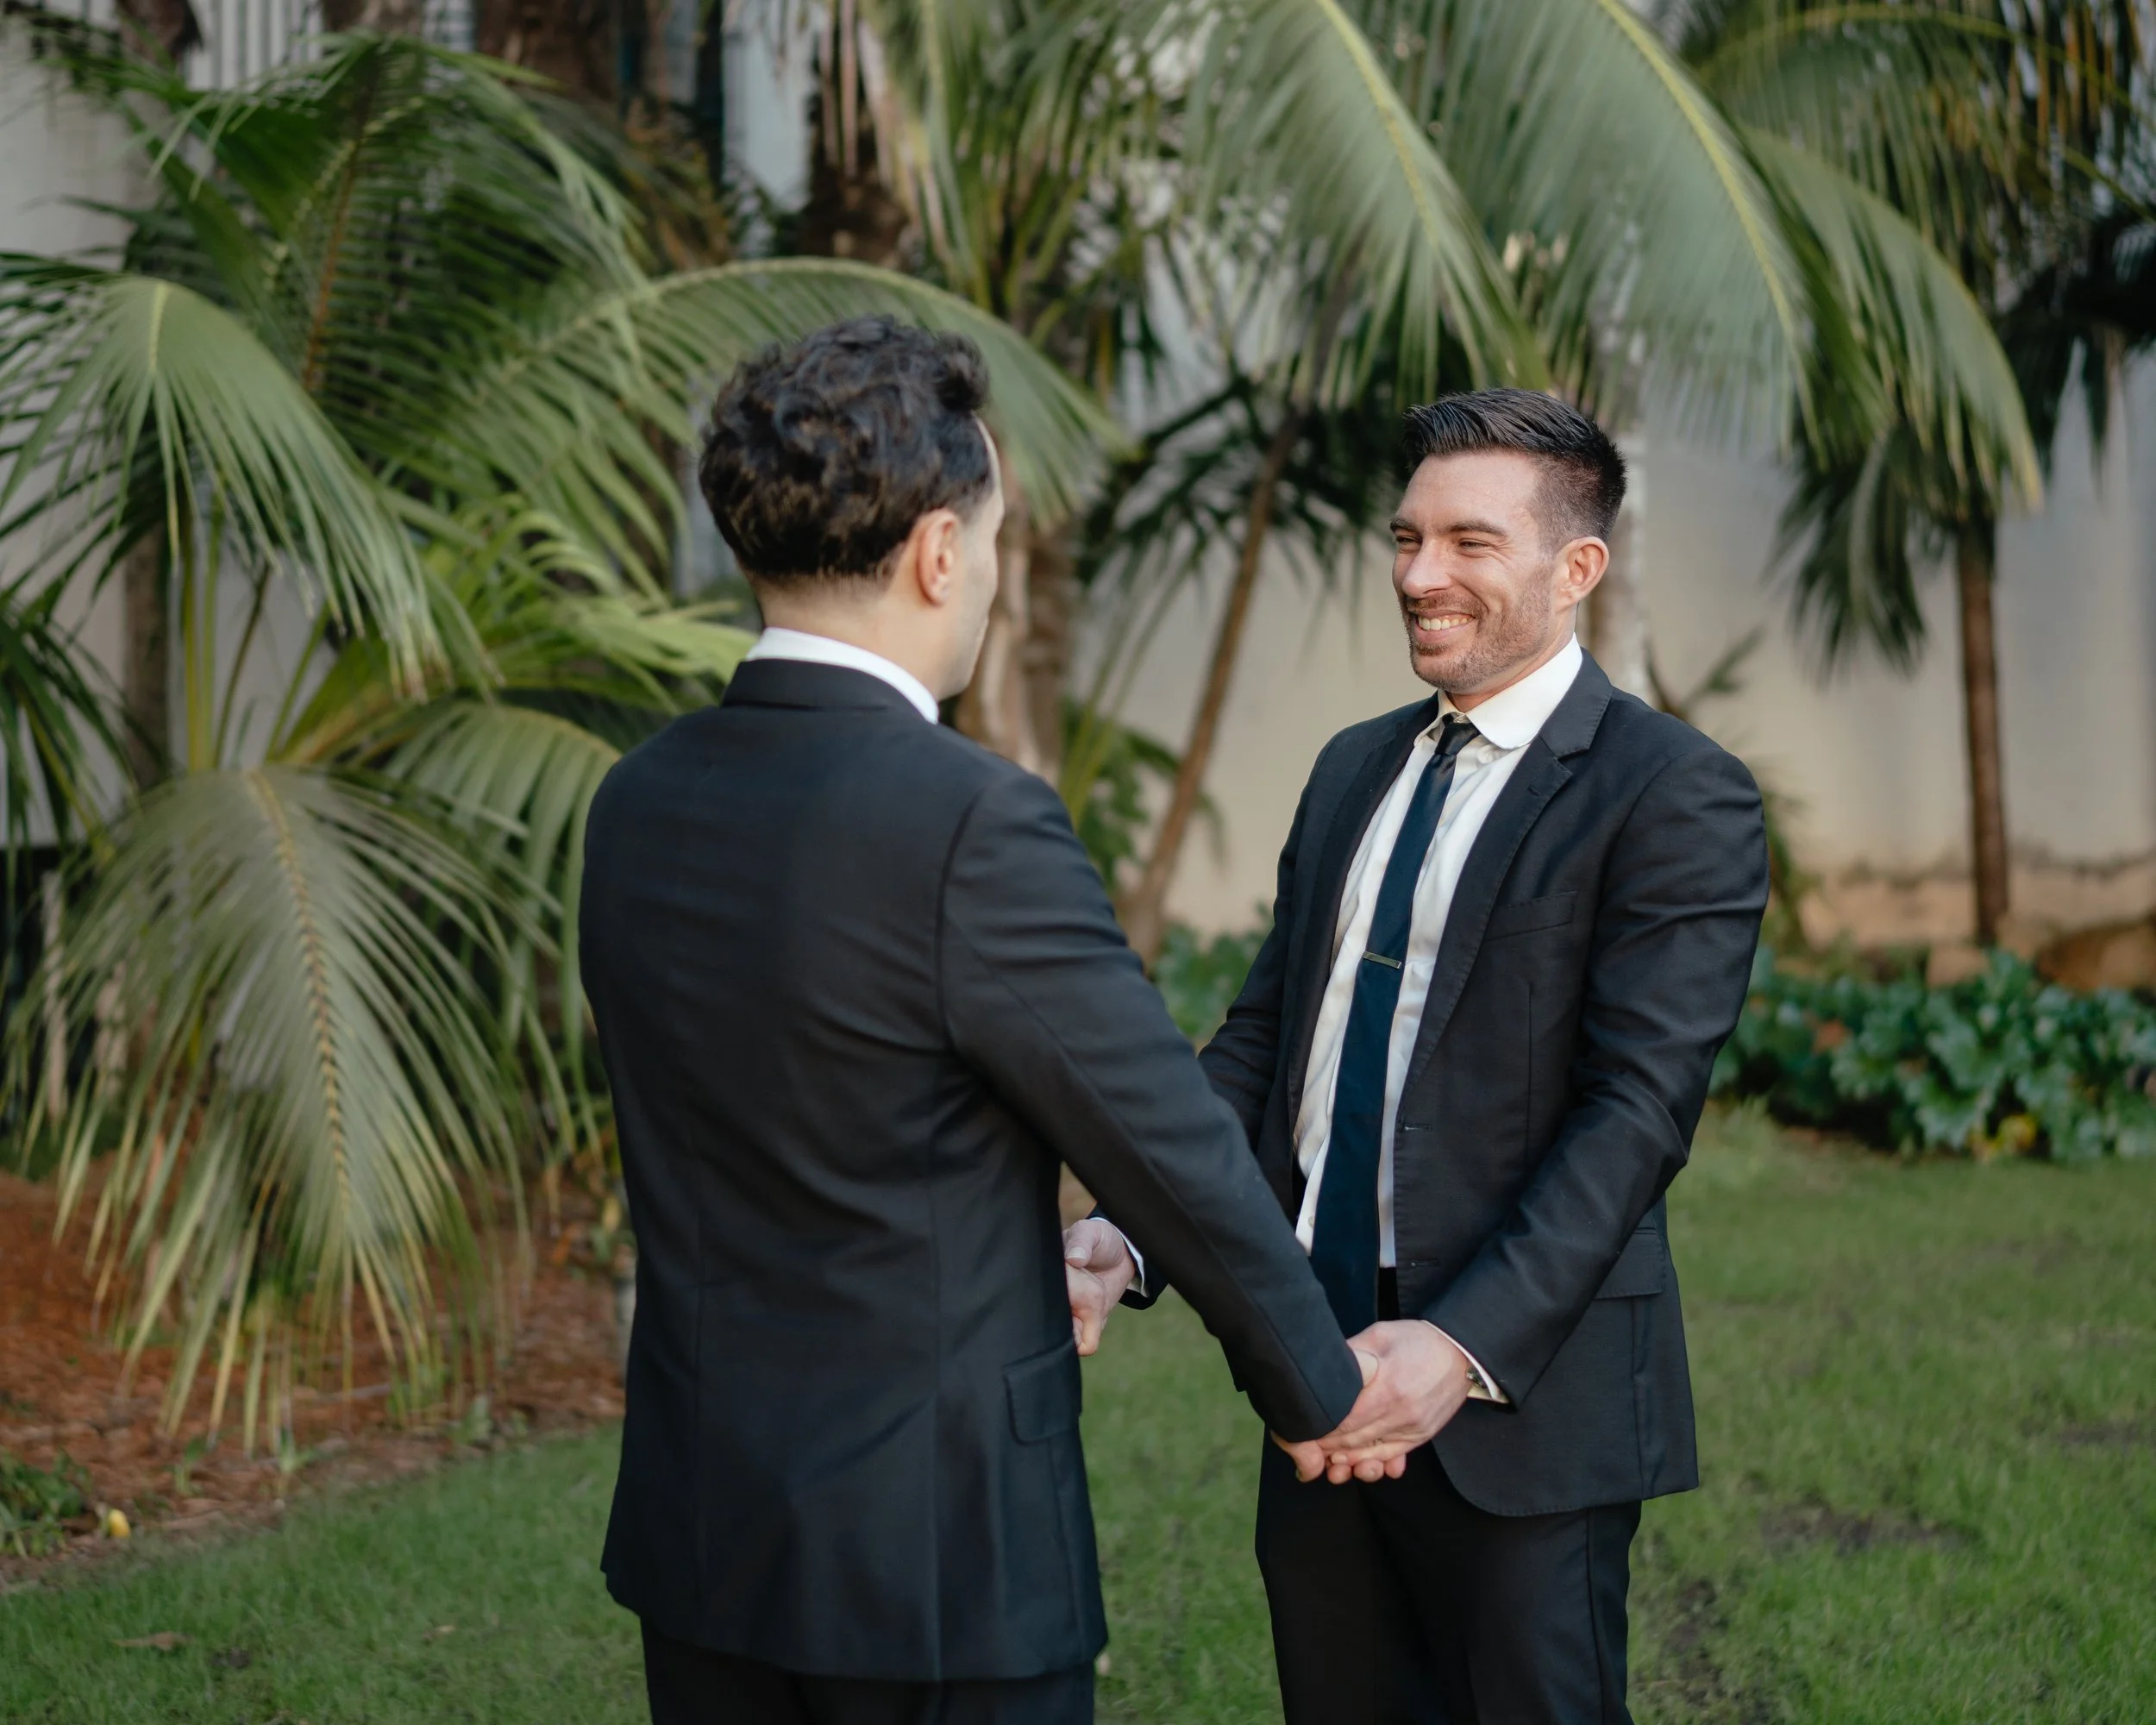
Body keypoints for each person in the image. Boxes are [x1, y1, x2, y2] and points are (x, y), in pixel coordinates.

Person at [578, 317, 1374, 1725]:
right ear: (941, 553)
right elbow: (1163, 1142)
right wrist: (1318, 1386)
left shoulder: (637, 802)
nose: (996, 581)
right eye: (997, 543)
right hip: (932, 1557)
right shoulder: (968, 823)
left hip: (705, 1530)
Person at [1071, 388, 1771, 1724]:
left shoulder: (1671, 791)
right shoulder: (1349, 771)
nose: (1418, 575)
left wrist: (1457, 1345)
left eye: (1467, 542)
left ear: (1577, 570)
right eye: (1405, 538)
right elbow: (1268, 1048)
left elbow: (1636, 1115)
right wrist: (1130, 1232)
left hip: (1521, 1405)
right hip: (1315, 1369)